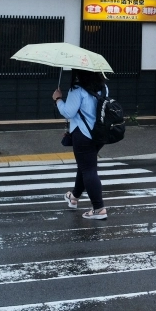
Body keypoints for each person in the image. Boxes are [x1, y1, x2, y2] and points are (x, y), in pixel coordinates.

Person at [53, 69, 108, 220]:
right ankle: (74, 197)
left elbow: (68, 112)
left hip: (83, 134)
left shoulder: (77, 90)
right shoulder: (103, 87)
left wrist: (58, 99)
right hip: (99, 134)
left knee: (88, 170)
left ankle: (99, 208)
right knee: (85, 166)